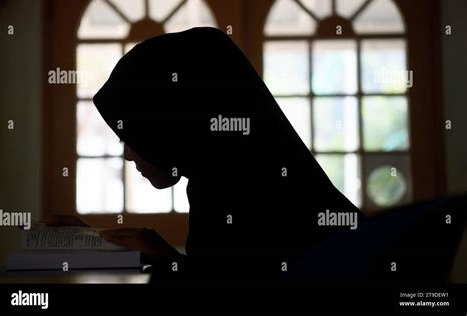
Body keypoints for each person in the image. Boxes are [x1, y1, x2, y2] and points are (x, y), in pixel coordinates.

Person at [85, 27, 366, 279]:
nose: (128, 155)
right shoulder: (230, 179)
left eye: (132, 136)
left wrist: (168, 259)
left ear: (171, 125)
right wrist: (93, 240)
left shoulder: (251, 190)